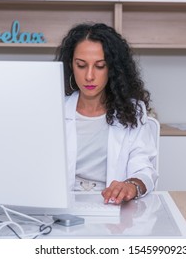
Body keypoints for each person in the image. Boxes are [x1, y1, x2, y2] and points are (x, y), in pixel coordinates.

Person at [55, 23, 158, 205]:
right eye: (81, 65)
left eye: (100, 66)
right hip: (62, 205)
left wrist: (131, 185)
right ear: (71, 65)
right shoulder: (55, 108)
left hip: (111, 205)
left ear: (112, 69)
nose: (89, 76)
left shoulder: (133, 111)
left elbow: (143, 167)